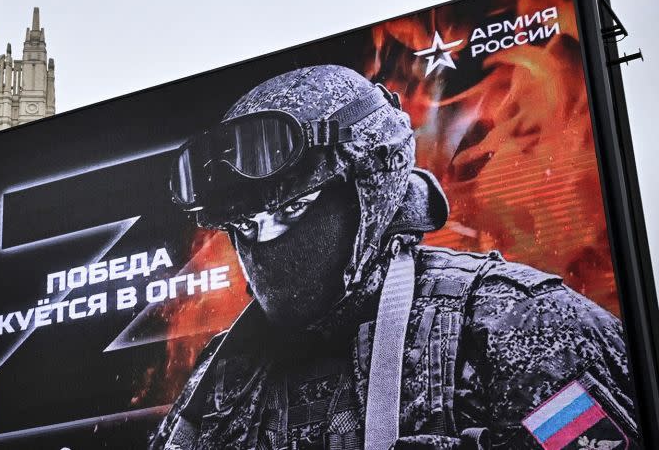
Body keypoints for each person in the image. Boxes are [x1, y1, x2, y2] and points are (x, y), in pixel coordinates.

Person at [151, 65, 641, 450]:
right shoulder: (220, 384)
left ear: (367, 191)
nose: (264, 244)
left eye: (291, 210)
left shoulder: (516, 323)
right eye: (245, 226)